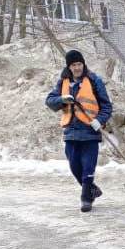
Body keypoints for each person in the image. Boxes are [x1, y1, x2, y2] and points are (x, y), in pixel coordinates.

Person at [45, 49, 113, 212]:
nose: (77, 68)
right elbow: (49, 101)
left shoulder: (94, 80)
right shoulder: (63, 83)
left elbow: (107, 106)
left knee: (88, 167)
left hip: (90, 131)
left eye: (79, 64)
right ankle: (91, 189)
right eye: (74, 65)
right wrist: (62, 99)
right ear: (69, 67)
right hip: (71, 132)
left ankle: (85, 199)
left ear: (83, 64)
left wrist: (99, 120)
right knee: (75, 167)